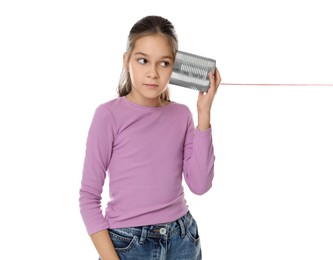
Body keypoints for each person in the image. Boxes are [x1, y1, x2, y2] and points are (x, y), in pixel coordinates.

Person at [79, 15, 221, 260]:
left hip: (182, 240)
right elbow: (88, 198)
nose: (153, 73)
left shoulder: (182, 115)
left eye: (164, 63)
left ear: (174, 67)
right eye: (143, 60)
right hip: (129, 245)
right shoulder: (108, 116)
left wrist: (204, 114)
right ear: (126, 61)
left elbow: (200, 185)